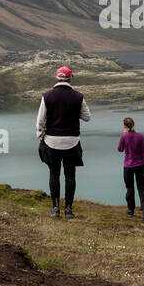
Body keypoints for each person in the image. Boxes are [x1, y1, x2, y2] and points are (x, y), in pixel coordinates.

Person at [36, 66, 91, 218]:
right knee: (70, 175)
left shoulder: (47, 96)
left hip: (52, 141)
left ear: (57, 78)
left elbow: (40, 120)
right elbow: (87, 117)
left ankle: (55, 208)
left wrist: (41, 136)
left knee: (54, 174)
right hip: (72, 141)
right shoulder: (78, 96)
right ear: (70, 78)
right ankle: (68, 209)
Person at [117, 116, 144, 222]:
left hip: (128, 166)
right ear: (133, 125)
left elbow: (120, 149)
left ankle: (130, 210)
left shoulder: (124, 137)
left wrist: (123, 135)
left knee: (129, 188)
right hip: (139, 166)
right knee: (142, 188)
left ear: (125, 126)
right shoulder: (140, 136)